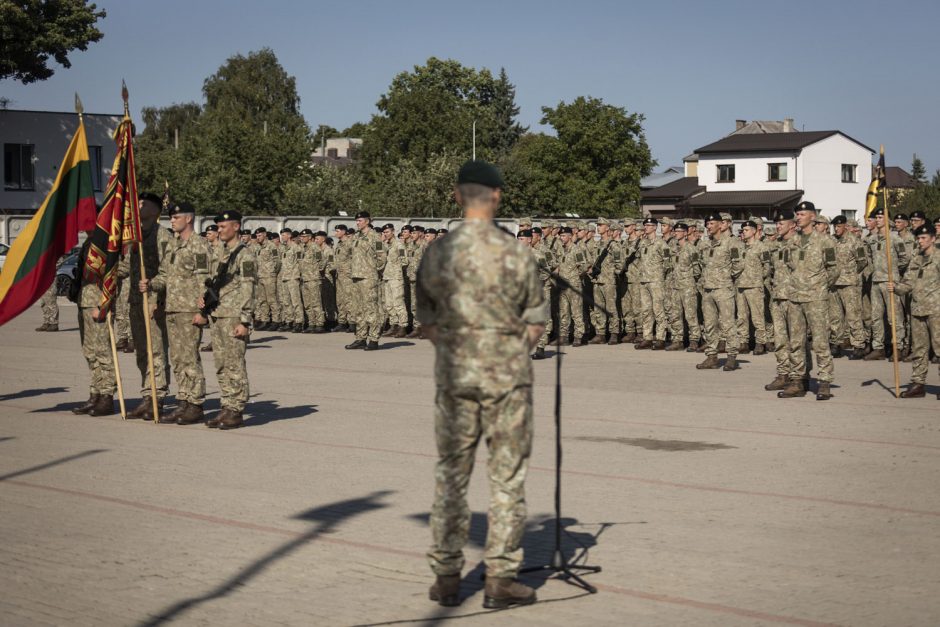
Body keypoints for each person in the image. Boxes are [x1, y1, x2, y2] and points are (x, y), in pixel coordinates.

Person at [417, 160, 546, 609]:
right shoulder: (517, 253)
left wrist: (458, 352)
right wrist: (507, 355)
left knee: (450, 476)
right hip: (507, 380)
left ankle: (446, 577)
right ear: (497, 197)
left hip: (455, 378)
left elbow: (427, 321)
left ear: (456, 196)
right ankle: (500, 579)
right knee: (506, 478)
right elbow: (535, 322)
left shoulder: (436, 252)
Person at [141, 202, 211, 424]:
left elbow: (205, 281)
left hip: (190, 310)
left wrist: (204, 312)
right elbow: (165, 275)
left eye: (176, 217)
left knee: (190, 358)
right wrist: (151, 284)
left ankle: (195, 404)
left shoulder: (198, 245)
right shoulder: (173, 245)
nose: (171, 220)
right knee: (178, 359)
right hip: (172, 309)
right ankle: (183, 400)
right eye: (170, 217)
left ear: (188, 219)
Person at [119, 192, 172, 420]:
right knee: (141, 350)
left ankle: (157, 396)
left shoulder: (163, 236)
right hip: (135, 300)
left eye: (144, 203)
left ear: (156, 209)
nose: (138, 206)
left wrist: (158, 297)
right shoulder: (134, 237)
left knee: (156, 350)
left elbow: (169, 272)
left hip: (153, 301)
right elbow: (125, 268)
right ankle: (146, 394)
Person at [778, 202, 839, 400]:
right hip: (795, 298)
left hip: (816, 298)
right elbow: (788, 267)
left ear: (813, 217)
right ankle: (798, 380)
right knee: (796, 342)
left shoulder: (825, 241)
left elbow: (834, 269)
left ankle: (824, 382)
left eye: (802, 214)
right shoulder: (792, 242)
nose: (798, 217)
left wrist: (820, 286)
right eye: (797, 214)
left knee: (820, 341)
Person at [202, 210, 256, 429]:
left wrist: (245, 321)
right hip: (218, 314)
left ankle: (236, 409)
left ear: (235, 227)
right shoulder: (221, 252)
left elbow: (248, 287)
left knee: (234, 364)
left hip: (234, 316)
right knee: (221, 364)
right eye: (218, 227)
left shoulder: (245, 255)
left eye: (223, 226)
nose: (219, 230)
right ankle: (226, 405)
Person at [889, 224, 939, 398]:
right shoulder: (916, 258)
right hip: (917, 309)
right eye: (918, 238)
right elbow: (908, 282)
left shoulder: (939, 257)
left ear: (933, 238)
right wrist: (895, 288)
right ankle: (918, 384)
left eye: (924, 238)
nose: (920, 241)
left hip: (936, 310)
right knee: (919, 349)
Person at [73, 228, 117, 417]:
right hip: (84, 301)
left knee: (102, 351)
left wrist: (104, 304)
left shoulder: (108, 243)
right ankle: (95, 393)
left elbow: (116, 270)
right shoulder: (87, 242)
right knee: (90, 352)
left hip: (99, 302)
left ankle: (107, 396)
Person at [696, 213, 743, 370]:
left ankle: (731, 357)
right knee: (709, 325)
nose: (708, 226)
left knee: (727, 324)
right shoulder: (705, 244)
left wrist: (725, 277)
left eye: (711, 223)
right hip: (707, 289)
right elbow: (700, 264)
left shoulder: (731, 243)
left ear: (720, 225)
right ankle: (712, 356)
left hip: (723, 288)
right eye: (707, 224)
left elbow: (738, 265)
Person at [346, 211, 387, 351]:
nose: (357, 223)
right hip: (356, 276)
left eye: (360, 220)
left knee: (371, 308)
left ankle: (374, 339)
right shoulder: (356, 236)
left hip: (369, 277)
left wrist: (374, 270)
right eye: (356, 221)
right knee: (358, 309)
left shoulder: (374, 236)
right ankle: (360, 338)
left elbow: (382, 257)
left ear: (367, 221)